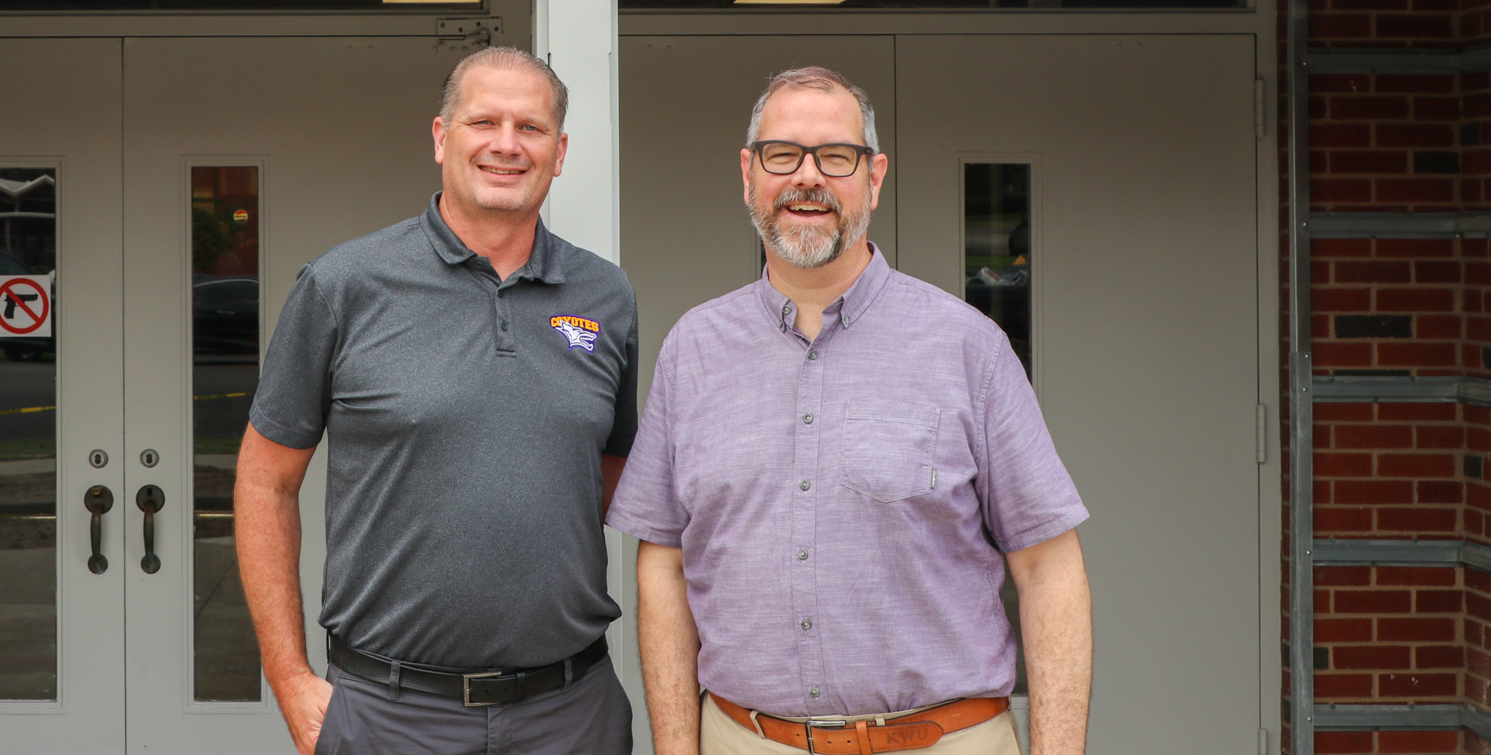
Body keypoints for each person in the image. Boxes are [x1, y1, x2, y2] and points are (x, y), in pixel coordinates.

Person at [607, 66, 1092, 755]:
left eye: (836, 155)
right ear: (749, 173)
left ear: (875, 175)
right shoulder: (693, 349)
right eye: (783, 154)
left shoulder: (968, 347)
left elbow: (1049, 569)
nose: (808, 177)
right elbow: (662, 562)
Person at [236, 45, 640, 755]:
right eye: (484, 120)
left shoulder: (606, 296)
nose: (507, 144)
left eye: (531, 127)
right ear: (440, 136)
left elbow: (612, 477)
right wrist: (290, 678)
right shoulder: (344, 286)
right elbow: (265, 481)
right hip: (390, 715)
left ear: (561, 149)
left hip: (569, 714)